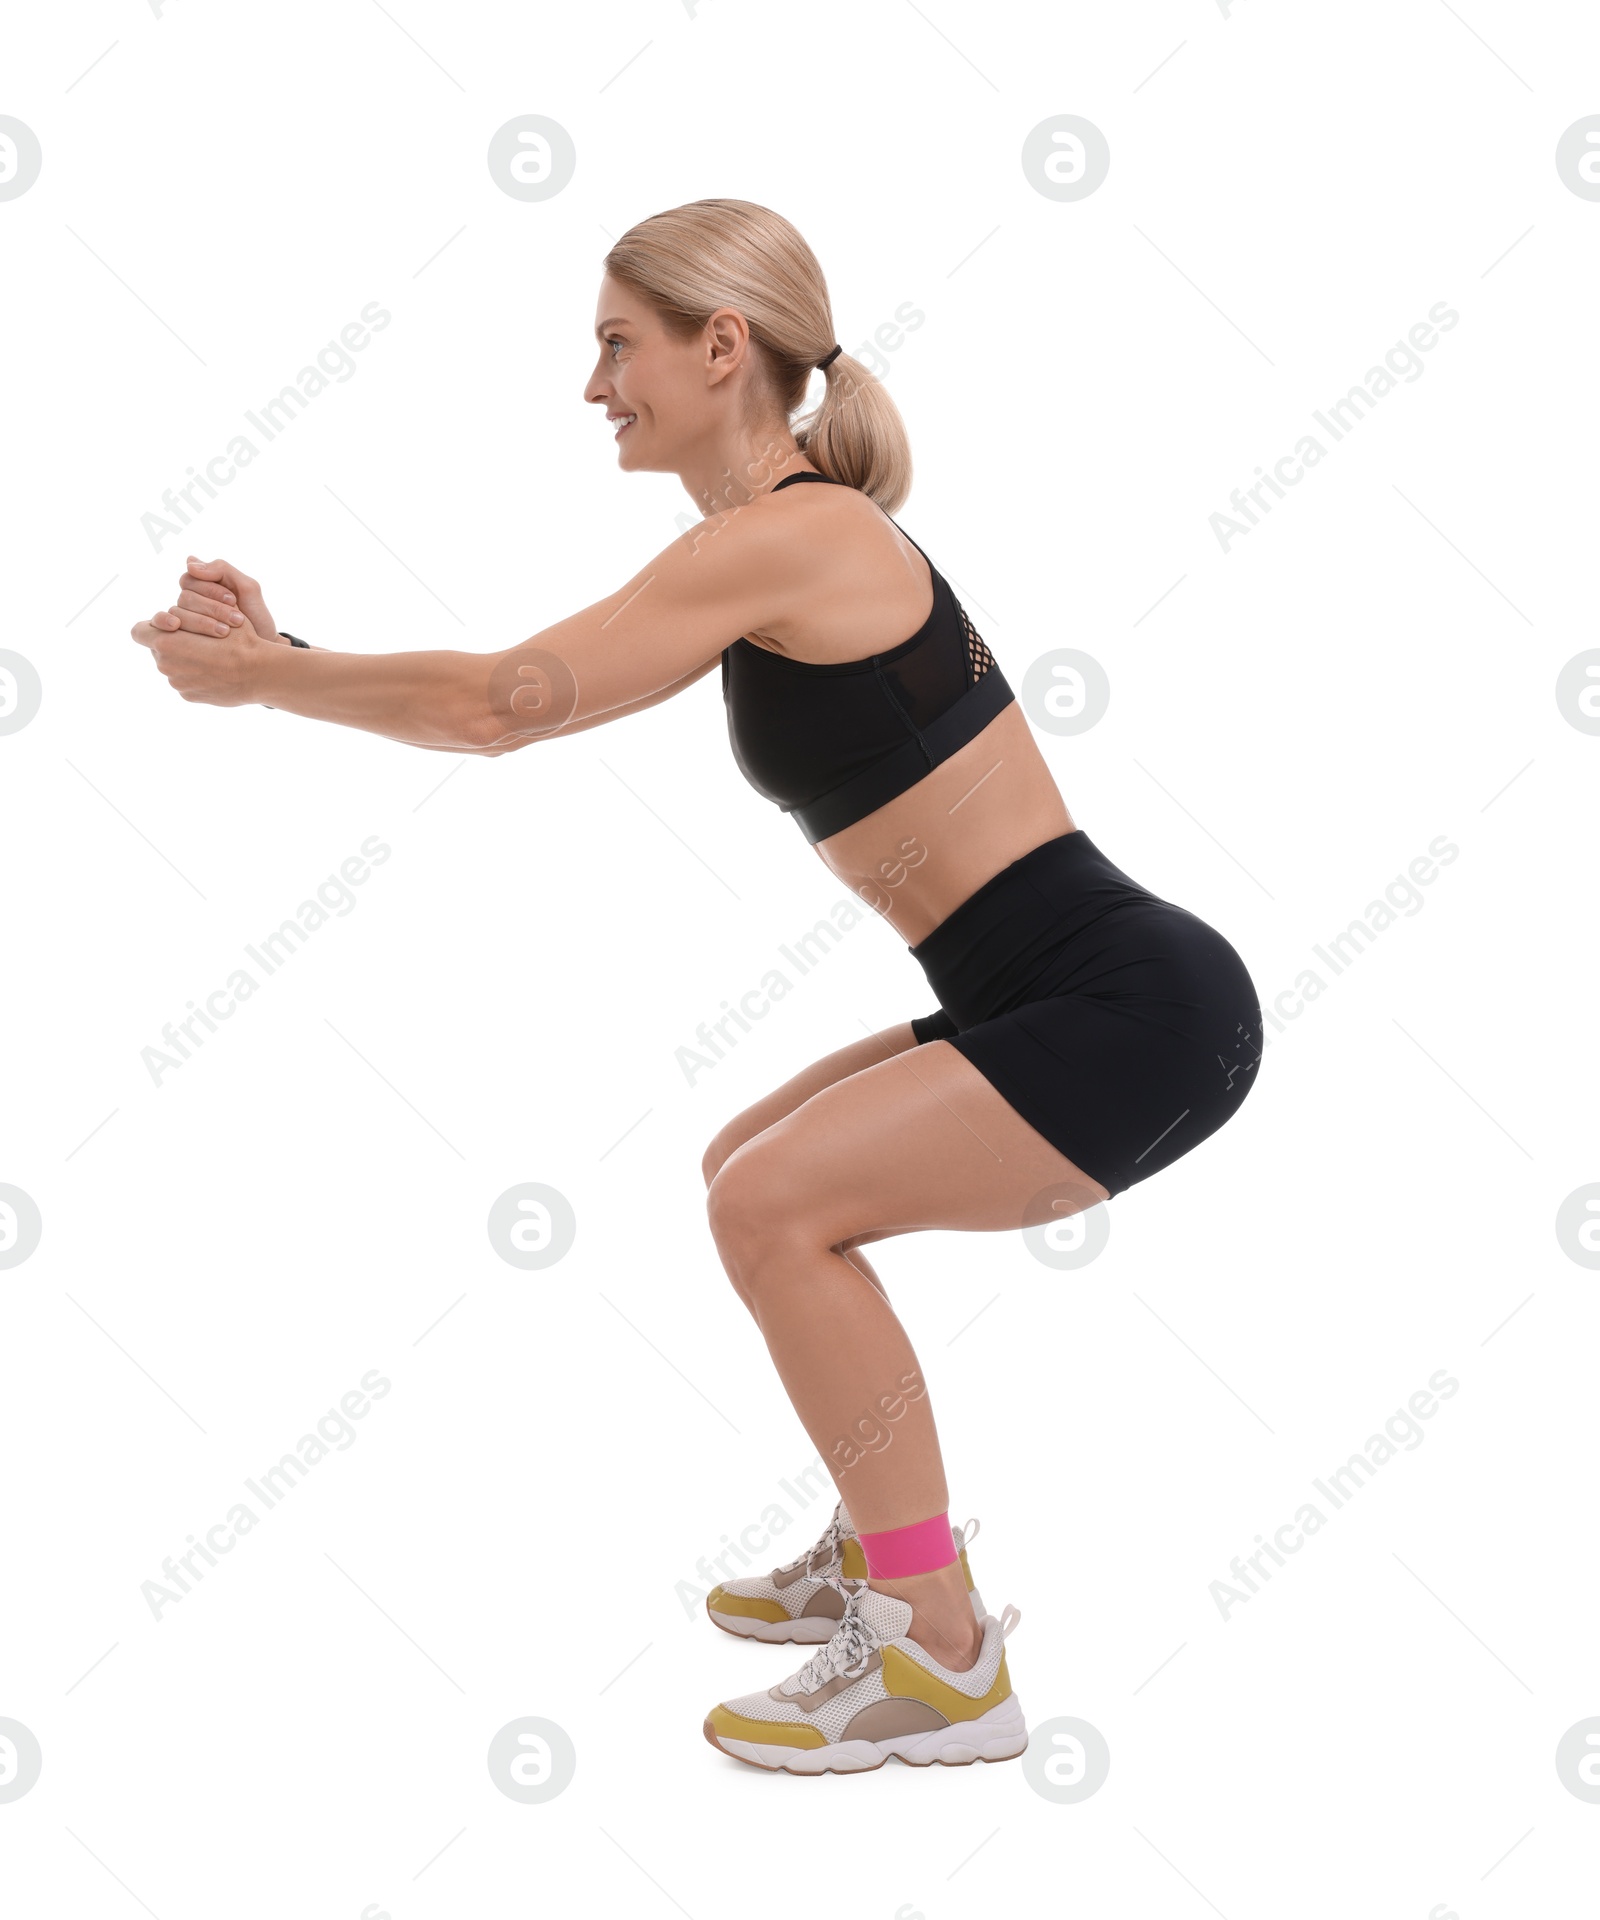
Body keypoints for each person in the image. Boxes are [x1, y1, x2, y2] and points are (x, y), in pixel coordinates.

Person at [130, 197, 1264, 1777]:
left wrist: (262, 682)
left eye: (616, 343)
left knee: (772, 1211)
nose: (595, 385)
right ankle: (892, 1539)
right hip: (1066, 989)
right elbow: (505, 697)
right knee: (745, 1166)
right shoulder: (762, 546)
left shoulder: (801, 535)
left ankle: (940, 1659)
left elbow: (498, 708)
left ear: (721, 346)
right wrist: (289, 655)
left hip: (1127, 1006)